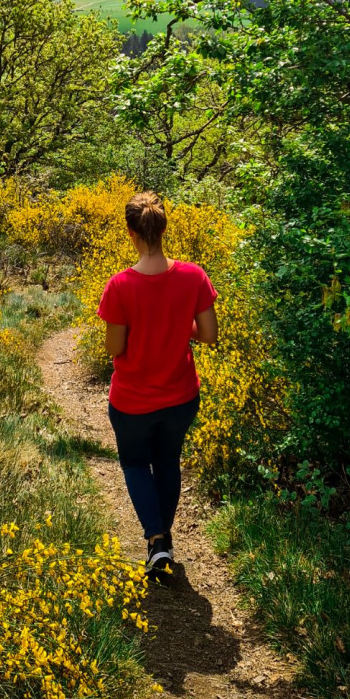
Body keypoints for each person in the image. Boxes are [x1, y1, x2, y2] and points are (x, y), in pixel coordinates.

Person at [96, 191, 218, 578]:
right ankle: (163, 541)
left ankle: (156, 541)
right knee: (167, 461)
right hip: (181, 396)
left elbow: (115, 347)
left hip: (132, 400)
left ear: (131, 232)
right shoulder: (193, 275)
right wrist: (177, 324)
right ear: (163, 229)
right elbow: (209, 334)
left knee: (135, 462)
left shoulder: (119, 286)